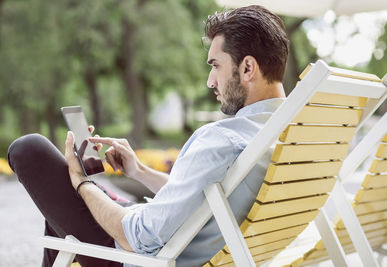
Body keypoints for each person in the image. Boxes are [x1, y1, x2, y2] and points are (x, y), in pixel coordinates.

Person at [7, 5, 288, 267]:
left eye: (215, 65)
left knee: (30, 149)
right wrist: (139, 171)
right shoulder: (283, 132)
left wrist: (81, 182)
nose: (210, 81)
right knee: (58, 205)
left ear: (248, 68)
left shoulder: (223, 140)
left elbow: (138, 238)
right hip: (175, 239)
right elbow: (208, 199)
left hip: (143, 256)